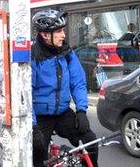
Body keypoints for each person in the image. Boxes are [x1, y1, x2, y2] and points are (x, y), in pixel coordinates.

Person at [31, 10, 98, 167]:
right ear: (45, 35)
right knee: (38, 156)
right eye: (59, 31)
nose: (63, 35)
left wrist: (81, 111)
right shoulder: (33, 57)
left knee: (90, 142)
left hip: (62, 113)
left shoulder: (67, 53)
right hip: (40, 117)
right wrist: (33, 127)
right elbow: (25, 95)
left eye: (63, 31)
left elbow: (78, 82)